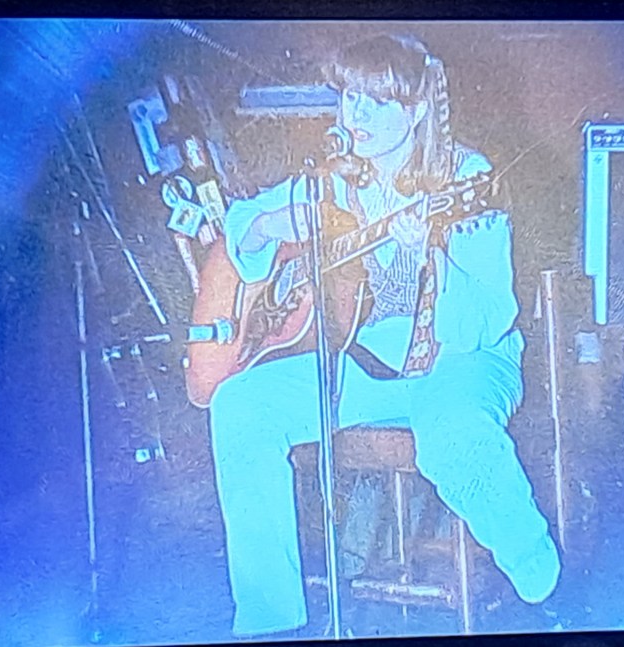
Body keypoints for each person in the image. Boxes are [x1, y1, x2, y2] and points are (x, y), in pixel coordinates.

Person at [209, 33, 561, 637]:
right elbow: (240, 224)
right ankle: (270, 620)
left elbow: (485, 316)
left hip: (464, 357)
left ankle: (541, 578)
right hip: (370, 365)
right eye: (350, 97)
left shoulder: (467, 180)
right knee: (240, 404)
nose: (357, 116)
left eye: (377, 101)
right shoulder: (335, 178)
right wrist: (269, 224)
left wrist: (431, 254)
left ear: (418, 109)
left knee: (451, 434)